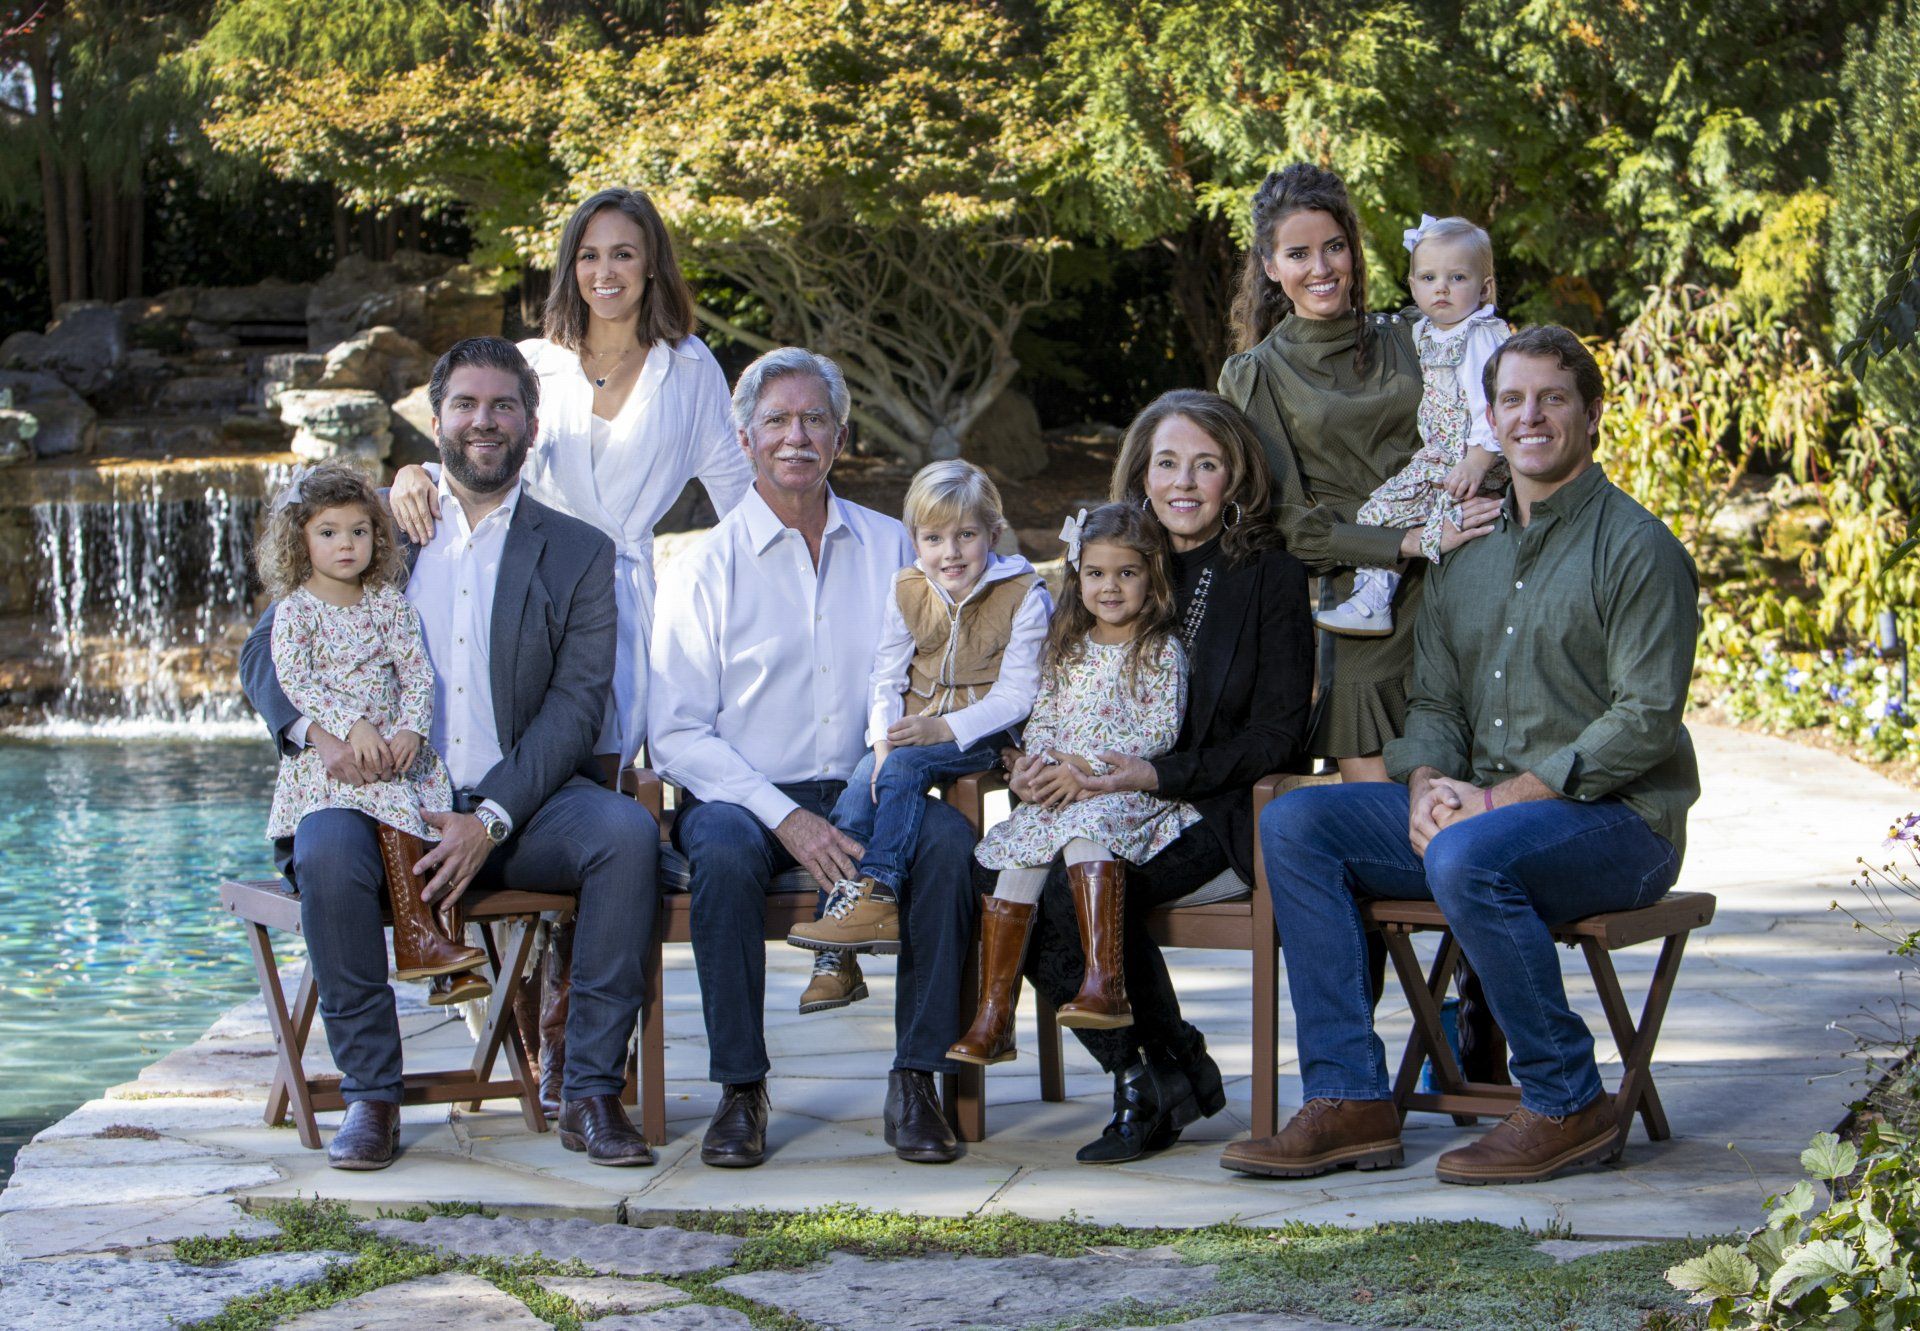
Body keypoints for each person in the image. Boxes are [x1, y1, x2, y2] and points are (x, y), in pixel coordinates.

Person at [1225, 325, 1700, 1186]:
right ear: (1489, 416)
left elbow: (1646, 719)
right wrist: (1425, 782)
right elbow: (1437, 702)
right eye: (1512, 400)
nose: (1531, 417)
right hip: (1477, 822)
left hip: (1621, 825)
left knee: (1469, 850)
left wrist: (1502, 798)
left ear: (1591, 415)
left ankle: (1565, 1098)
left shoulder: (1637, 547)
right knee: (1298, 823)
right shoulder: (1464, 552)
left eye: (1553, 398)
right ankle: (1351, 1098)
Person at [241, 336, 659, 1173]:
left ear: (531, 426)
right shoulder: (385, 529)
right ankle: (372, 1095)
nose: (484, 421)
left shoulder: (578, 551)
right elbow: (266, 650)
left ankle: (588, 1091)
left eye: (503, 405)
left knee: (625, 835)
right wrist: (317, 735)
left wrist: (490, 818)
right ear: (436, 422)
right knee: (326, 849)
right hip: (376, 798)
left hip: (521, 805)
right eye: (465, 404)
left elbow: (576, 705)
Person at [386, 186, 751, 1110]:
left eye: (625, 254)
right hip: (525, 602)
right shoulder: (536, 360)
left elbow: (741, 496)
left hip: (622, 607)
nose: (606, 272)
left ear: (653, 264)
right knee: (520, 788)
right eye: (590, 255)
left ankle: (574, 1043)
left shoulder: (691, 368)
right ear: (569, 266)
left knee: (591, 811)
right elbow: (477, 449)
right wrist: (409, 477)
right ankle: (521, 1028)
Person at [648, 346, 980, 1168]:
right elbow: (677, 731)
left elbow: (945, 664)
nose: (796, 435)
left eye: (814, 419)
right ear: (745, 435)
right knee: (721, 854)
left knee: (947, 846)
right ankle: (740, 1089)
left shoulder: (895, 544)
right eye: (777, 420)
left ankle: (916, 1078)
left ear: (839, 434)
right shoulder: (703, 566)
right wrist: (788, 819)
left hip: (873, 780)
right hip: (747, 795)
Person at [1217, 163, 1509, 1088]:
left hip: (1464, 590)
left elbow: (1488, 411)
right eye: (1298, 253)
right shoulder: (1254, 374)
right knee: (1388, 843)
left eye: (1335, 245)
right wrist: (1409, 539)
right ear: (1269, 265)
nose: (1322, 267)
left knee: (1476, 815)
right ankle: (1366, 1063)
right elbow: (1289, 524)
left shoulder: (1417, 332)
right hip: (1360, 616)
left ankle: (1479, 1026)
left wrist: (1476, 501)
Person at [1007, 390, 1315, 1163]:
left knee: (1073, 895)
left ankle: (1154, 1084)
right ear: (1141, 473)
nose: (1184, 482)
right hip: (1091, 804)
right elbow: (1041, 689)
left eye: (1205, 464)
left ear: (1234, 478)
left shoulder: (1266, 575)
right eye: (1168, 462)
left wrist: (1155, 770)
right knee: (1005, 885)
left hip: (1210, 808)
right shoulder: (1109, 560)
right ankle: (1159, 1067)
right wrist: (1027, 763)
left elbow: (1280, 735)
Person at [954, 502, 1200, 1068]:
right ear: (1077, 577)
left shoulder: (1160, 650)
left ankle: (1103, 980)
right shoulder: (1066, 651)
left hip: (1120, 795)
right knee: (1016, 851)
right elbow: (1042, 723)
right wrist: (1034, 769)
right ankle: (994, 1015)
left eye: (1126, 573)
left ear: (1152, 577)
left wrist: (1081, 766)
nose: (1109, 587)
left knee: (1084, 831)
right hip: (1060, 796)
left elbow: (1159, 732)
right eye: (1095, 573)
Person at [786, 459, 1049, 964]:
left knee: (905, 767)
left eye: (966, 535)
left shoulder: (1022, 596)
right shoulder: (907, 587)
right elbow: (885, 675)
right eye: (933, 538)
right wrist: (882, 743)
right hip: (917, 727)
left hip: (984, 730)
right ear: (914, 539)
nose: (949, 553)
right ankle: (833, 952)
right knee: (863, 786)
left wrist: (941, 729)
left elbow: (1018, 695)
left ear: (993, 533)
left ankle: (880, 894)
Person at [256, 462, 487, 1005]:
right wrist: (349, 727)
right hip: (335, 768)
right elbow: (296, 680)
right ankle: (422, 946)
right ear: (300, 539)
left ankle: (441, 957)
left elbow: (417, 672)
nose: (346, 546)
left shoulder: (388, 604)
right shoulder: (295, 612)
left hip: (395, 758)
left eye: (359, 532)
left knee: (434, 818)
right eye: (328, 533)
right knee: (390, 811)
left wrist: (410, 728)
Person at [1316, 214, 1512, 637]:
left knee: (1408, 513)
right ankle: (1374, 599)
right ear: (1412, 285)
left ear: (1485, 287)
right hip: (1441, 455)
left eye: (1457, 277)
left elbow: (1493, 405)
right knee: (1383, 513)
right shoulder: (1423, 331)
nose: (1441, 287)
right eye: (1428, 277)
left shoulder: (1479, 334)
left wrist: (1478, 461)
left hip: (1471, 456)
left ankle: (1376, 603)